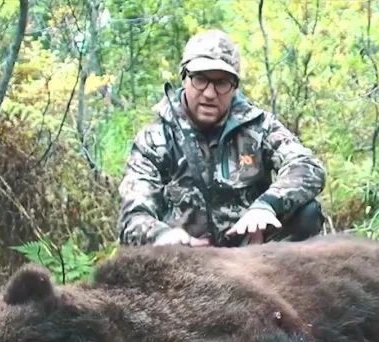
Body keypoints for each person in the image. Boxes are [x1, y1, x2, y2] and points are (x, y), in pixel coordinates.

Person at [117, 29, 326, 247]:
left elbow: (307, 166)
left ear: (234, 87)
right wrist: (160, 235)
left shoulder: (259, 126)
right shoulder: (155, 138)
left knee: (308, 213)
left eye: (221, 83)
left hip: (253, 252)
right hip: (183, 255)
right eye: (200, 79)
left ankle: (284, 279)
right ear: (184, 78)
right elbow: (133, 213)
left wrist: (267, 204)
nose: (209, 93)